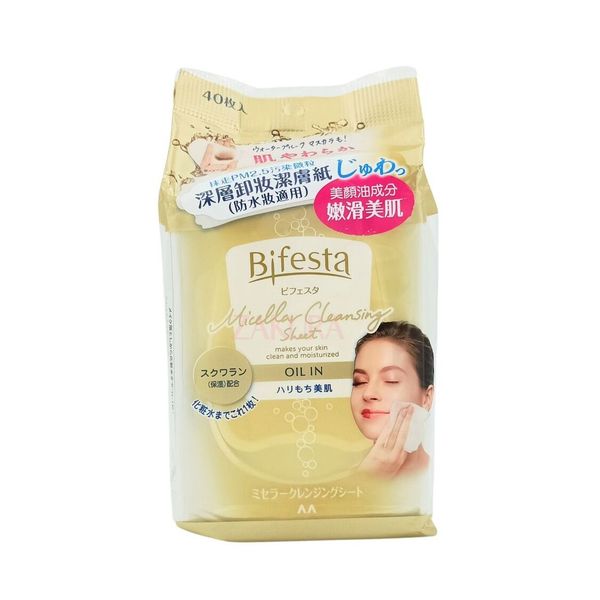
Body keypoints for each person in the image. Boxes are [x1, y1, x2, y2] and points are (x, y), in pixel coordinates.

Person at [350, 321, 434, 478]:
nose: (368, 393)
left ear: (426, 398)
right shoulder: (344, 477)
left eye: (391, 380)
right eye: (359, 381)